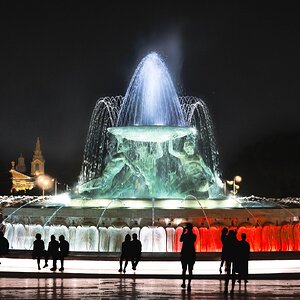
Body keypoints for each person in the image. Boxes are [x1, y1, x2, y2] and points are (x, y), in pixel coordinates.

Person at [180, 223, 196, 292]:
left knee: (184, 269)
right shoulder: (194, 236)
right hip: (191, 254)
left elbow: (180, 240)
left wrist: (183, 232)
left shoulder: (185, 236)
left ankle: (183, 283)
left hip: (185, 254)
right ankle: (189, 284)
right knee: (190, 270)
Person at [223, 229, 239, 295]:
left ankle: (226, 288)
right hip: (234, 257)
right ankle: (232, 289)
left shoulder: (227, 241)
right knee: (233, 273)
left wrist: (222, 260)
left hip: (228, 257)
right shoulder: (235, 241)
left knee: (228, 273)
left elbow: (224, 249)